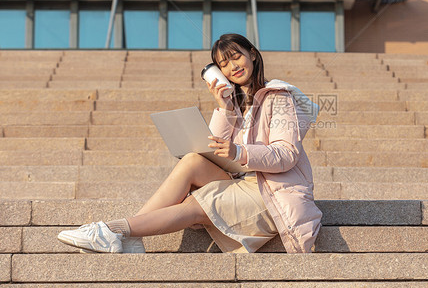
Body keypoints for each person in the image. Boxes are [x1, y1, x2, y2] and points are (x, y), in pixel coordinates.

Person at [57, 33, 323, 254]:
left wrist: (239, 151)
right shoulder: (237, 106)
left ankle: (115, 230)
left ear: (252, 54)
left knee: (202, 202)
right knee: (193, 161)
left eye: (237, 56)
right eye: (224, 63)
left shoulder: (279, 97)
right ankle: (132, 237)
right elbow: (210, 148)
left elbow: (286, 154)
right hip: (245, 184)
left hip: (272, 193)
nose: (233, 66)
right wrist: (225, 108)